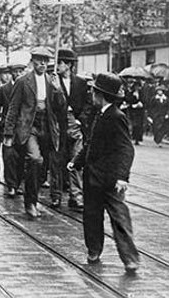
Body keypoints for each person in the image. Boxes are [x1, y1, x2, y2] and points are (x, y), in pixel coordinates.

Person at [68, 73, 139, 273]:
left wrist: (122, 177)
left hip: (110, 180)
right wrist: (76, 162)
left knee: (120, 218)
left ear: (101, 95)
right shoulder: (97, 114)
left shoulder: (117, 117)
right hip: (92, 178)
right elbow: (91, 144)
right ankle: (94, 250)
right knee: (91, 216)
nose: (90, 93)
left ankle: (130, 258)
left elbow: (126, 149)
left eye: (93, 91)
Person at [3, 47, 66, 219]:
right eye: (39, 60)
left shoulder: (52, 80)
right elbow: (13, 108)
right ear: (32, 61)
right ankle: (30, 203)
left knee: (43, 167)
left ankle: (34, 195)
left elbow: (61, 107)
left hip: (47, 127)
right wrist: (8, 133)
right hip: (29, 127)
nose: (43, 64)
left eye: (46, 60)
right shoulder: (23, 81)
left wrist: (58, 89)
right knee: (35, 159)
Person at [55, 49, 92, 210]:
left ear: (68, 65)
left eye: (60, 63)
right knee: (57, 161)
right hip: (58, 126)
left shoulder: (81, 83)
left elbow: (89, 105)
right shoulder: (52, 82)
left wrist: (80, 119)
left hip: (75, 126)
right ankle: (55, 195)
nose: (57, 66)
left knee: (76, 160)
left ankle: (76, 196)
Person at [0, 63, 24, 195]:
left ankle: (18, 182)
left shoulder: (27, 87)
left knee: (21, 156)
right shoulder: (2, 89)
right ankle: (11, 185)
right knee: (8, 155)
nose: (18, 74)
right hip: (7, 127)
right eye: (16, 72)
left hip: (23, 127)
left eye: (21, 71)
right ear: (11, 73)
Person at [122, 78, 145, 145]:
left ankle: (138, 139)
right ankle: (132, 138)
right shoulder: (131, 93)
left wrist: (141, 103)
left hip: (140, 111)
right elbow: (128, 100)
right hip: (133, 111)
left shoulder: (141, 93)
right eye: (136, 86)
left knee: (139, 125)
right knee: (133, 125)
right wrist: (133, 102)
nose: (137, 88)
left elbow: (145, 100)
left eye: (138, 86)